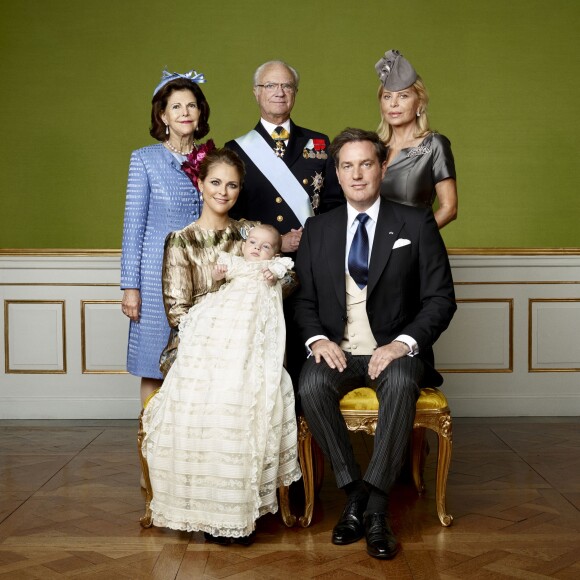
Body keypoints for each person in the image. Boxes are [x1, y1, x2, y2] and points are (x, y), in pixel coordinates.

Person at [294, 128, 456, 559]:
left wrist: (404, 343)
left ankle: (376, 507)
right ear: (337, 173)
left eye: (366, 163)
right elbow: (304, 300)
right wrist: (316, 340)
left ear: (382, 167)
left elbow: (441, 298)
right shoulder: (318, 228)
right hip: (338, 349)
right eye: (347, 166)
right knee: (310, 386)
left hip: (394, 348)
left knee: (402, 384)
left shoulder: (415, 221)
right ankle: (354, 492)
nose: (357, 174)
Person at [142, 152, 301, 544]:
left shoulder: (251, 233)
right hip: (198, 344)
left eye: (231, 185)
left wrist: (270, 277)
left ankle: (237, 506)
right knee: (217, 395)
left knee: (251, 389)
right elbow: (178, 312)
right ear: (201, 183)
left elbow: (288, 281)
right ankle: (203, 507)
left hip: (251, 341)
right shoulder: (182, 240)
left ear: (239, 190)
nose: (223, 191)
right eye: (215, 182)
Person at [225, 60, 344, 385]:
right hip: (259, 271)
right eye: (270, 86)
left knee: (309, 349)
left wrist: (312, 239)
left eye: (287, 86)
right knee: (264, 355)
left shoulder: (320, 144)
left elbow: (335, 206)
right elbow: (228, 216)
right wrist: (277, 240)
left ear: (295, 93)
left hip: (311, 268)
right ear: (256, 92)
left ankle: (309, 428)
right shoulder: (236, 150)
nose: (279, 92)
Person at [120, 68, 211, 405]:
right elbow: (133, 227)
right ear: (162, 114)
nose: (185, 113)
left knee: (198, 364)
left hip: (202, 277)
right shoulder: (144, 159)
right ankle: (151, 447)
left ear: (200, 112)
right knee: (154, 364)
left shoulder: (211, 159)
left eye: (191, 105)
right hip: (154, 278)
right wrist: (131, 288)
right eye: (176, 107)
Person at [375, 49, 458, 228]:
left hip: (415, 250)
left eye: (403, 96)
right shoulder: (374, 147)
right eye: (387, 96)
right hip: (375, 250)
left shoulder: (434, 144)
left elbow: (449, 208)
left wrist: (414, 239)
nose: (393, 103)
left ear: (419, 103)